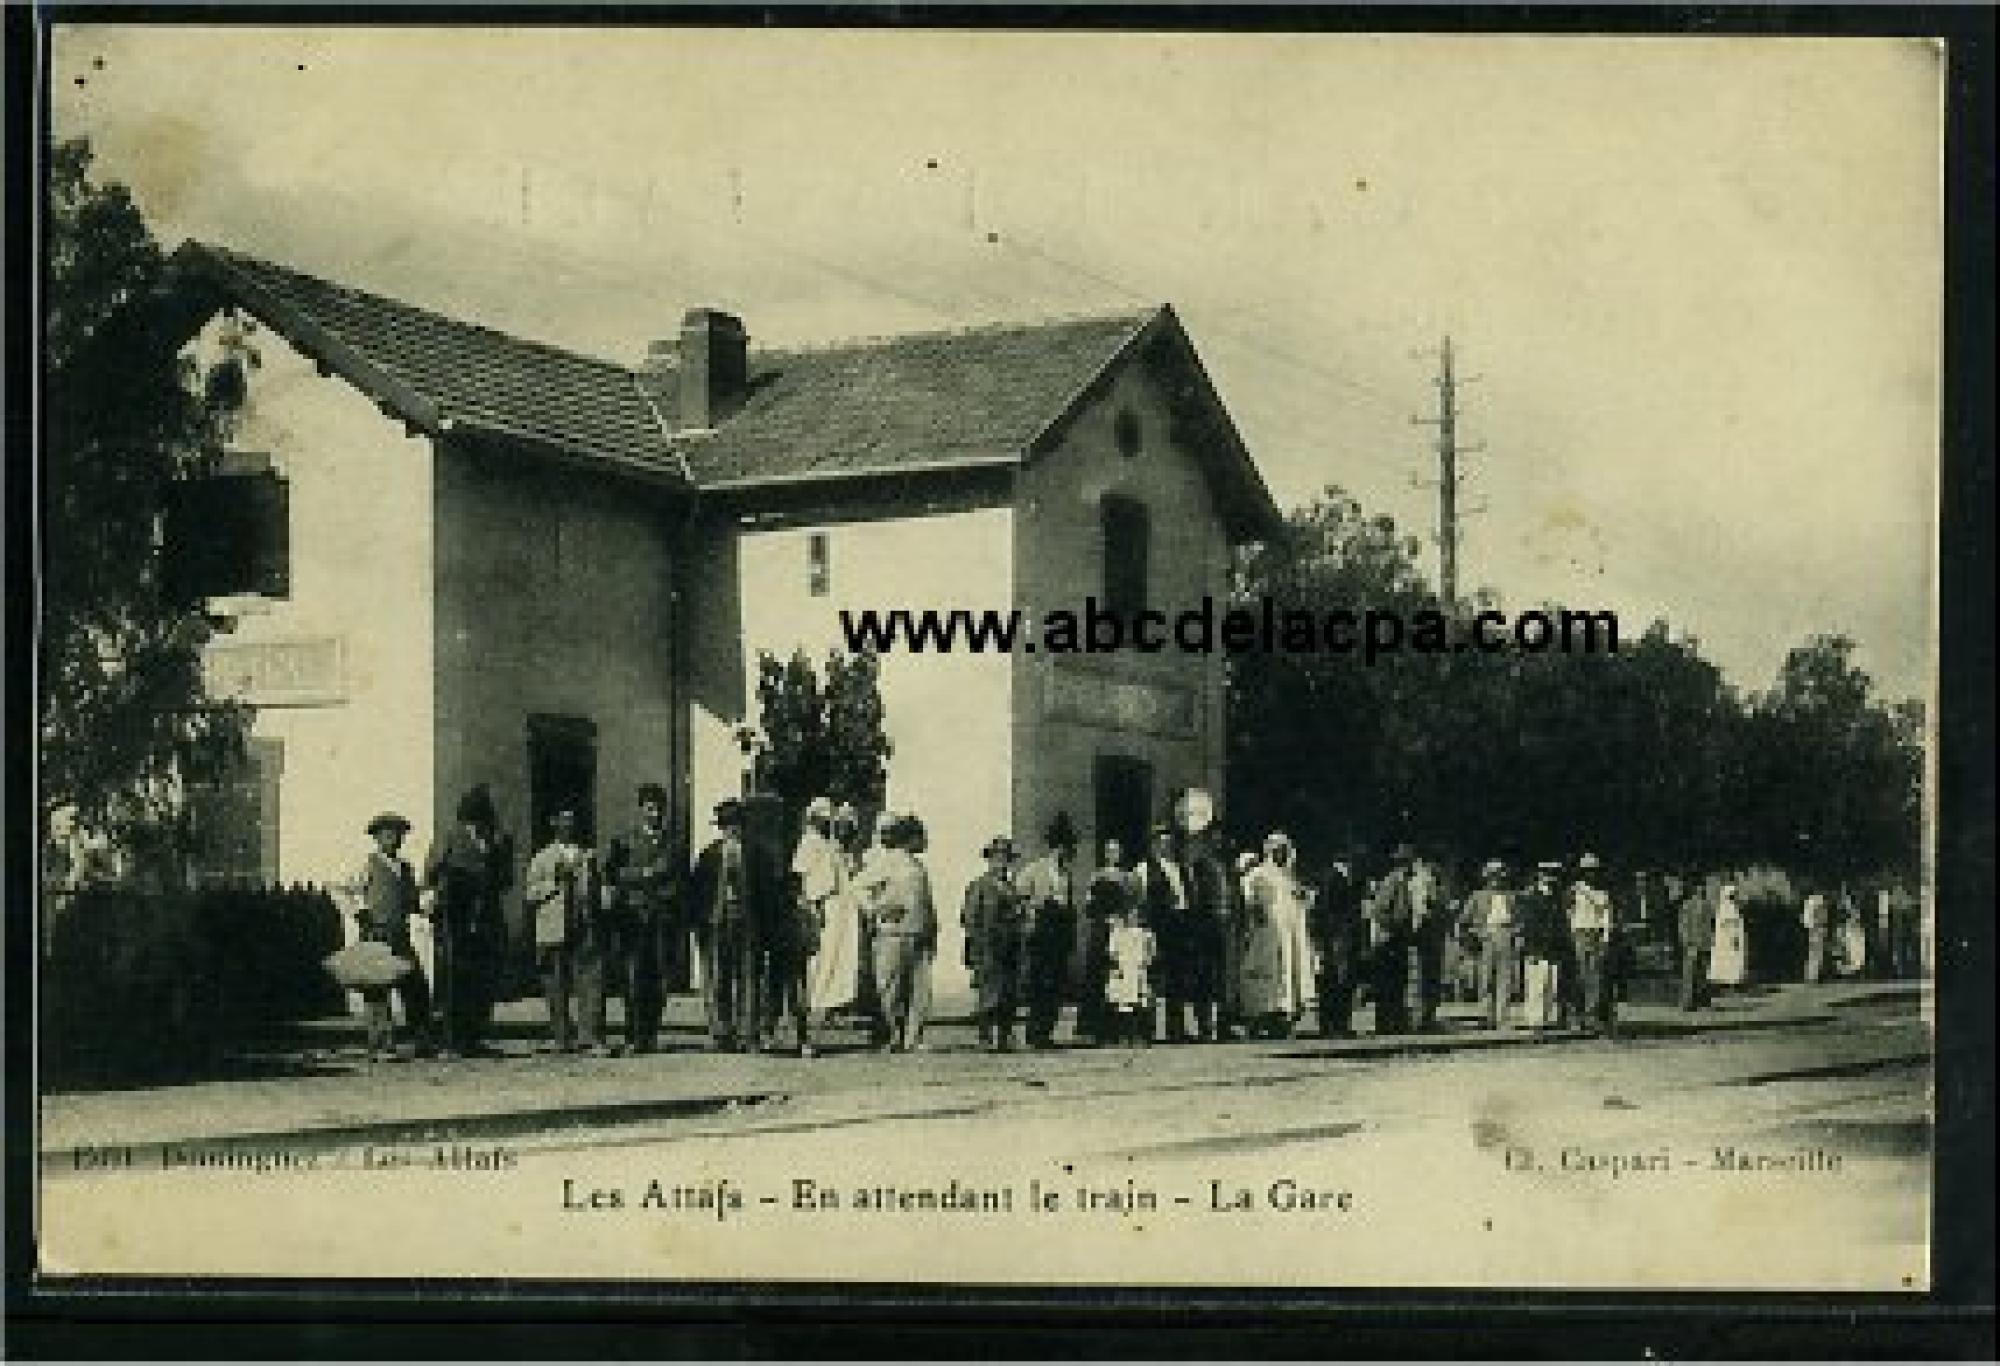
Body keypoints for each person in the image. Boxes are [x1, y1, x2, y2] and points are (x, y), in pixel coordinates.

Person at [420, 786, 511, 1058]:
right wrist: (434, 903)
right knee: (453, 980)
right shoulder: (449, 837)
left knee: (483, 979)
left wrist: (497, 851)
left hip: (486, 918)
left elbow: (506, 880)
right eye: (474, 818)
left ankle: (475, 1037)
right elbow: (430, 874)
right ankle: (451, 1041)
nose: (479, 824)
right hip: (454, 918)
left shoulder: (496, 841)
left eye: (483, 818)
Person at [352, 812, 435, 1062]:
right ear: (377, 838)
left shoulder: (406, 868)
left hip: (400, 935)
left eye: (398, 835)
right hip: (376, 933)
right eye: (388, 834)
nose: (394, 839)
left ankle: (421, 1039)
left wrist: (425, 908)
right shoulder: (368, 865)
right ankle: (380, 1045)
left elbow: (411, 901)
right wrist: (362, 913)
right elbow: (353, 892)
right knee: (377, 990)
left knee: (415, 986)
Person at [524, 809, 605, 1055]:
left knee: (590, 980)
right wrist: (554, 883)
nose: (568, 825)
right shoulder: (542, 858)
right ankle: (561, 1037)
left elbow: (598, 888)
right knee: (555, 984)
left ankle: (589, 1037)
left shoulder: (587, 856)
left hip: (583, 925)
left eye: (572, 820)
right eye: (563, 820)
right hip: (553, 929)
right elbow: (530, 894)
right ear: (554, 823)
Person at [604, 782, 677, 1055]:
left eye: (659, 810)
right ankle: (633, 1033)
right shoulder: (625, 840)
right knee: (633, 977)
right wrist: (642, 874)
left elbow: (677, 878)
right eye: (650, 809)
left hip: (662, 919)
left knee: (660, 977)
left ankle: (651, 1033)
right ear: (641, 810)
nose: (655, 815)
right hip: (632, 918)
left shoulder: (672, 841)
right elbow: (612, 874)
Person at [856, 814, 937, 1052]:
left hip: (918, 933)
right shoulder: (888, 861)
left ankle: (913, 1038)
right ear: (909, 838)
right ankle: (890, 1036)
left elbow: (926, 902)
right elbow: (858, 886)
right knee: (889, 987)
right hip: (892, 934)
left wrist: (932, 930)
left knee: (920, 990)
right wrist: (876, 909)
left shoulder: (918, 866)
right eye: (921, 836)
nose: (925, 841)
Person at [690, 798, 763, 1052]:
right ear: (721, 827)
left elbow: (766, 893)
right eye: (727, 824)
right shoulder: (709, 856)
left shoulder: (755, 854)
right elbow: (696, 893)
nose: (732, 829)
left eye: (736, 824)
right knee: (718, 979)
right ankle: (722, 1033)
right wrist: (699, 924)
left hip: (748, 923)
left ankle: (749, 1034)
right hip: (715, 923)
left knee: (749, 978)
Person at [1238, 832, 1315, 1038]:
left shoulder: (1289, 876)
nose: (1280, 854)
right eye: (1276, 850)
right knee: (1265, 976)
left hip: (1290, 934)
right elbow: (1248, 900)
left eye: (1283, 850)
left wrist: (1303, 897)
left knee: (1289, 974)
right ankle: (1259, 1019)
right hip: (1266, 933)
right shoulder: (1258, 874)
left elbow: (1301, 902)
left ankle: (1284, 1018)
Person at [1016, 813, 1081, 1049]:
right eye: (1065, 847)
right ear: (1056, 847)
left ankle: (1047, 1031)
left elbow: (1069, 905)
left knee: (1056, 983)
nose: (1067, 853)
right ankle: (1035, 1031)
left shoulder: (1066, 875)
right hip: (1042, 932)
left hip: (1059, 933)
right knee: (1039, 983)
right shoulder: (1034, 870)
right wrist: (1033, 911)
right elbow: (1019, 897)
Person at [801, 797, 864, 1033]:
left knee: (841, 958)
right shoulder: (810, 843)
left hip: (842, 910)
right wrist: (814, 907)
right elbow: (805, 877)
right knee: (825, 959)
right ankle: (817, 1006)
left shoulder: (830, 846)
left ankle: (833, 1007)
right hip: (827, 908)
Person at [962, 835, 1025, 1051]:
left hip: (1010, 946)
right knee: (988, 994)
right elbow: (968, 917)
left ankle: (1005, 1036)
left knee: (1008, 994)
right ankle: (985, 1037)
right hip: (987, 947)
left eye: (1006, 858)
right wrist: (976, 946)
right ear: (989, 860)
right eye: (997, 858)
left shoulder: (1011, 888)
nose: (1002, 863)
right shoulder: (979, 886)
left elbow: (1018, 915)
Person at [1076, 839, 1132, 1047]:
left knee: (1117, 978)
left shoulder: (1127, 877)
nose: (1114, 854)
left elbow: (1132, 903)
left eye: (1117, 851)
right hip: (1100, 930)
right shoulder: (1096, 876)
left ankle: (1116, 1029)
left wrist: (1122, 920)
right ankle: (1094, 1029)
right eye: (1110, 851)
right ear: (1105, 854)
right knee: (1097, 977)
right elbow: (1088, 905)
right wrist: (1102, 917)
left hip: (1119, 930)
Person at [1310, 849, 1370, 1038]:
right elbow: (1327, 911)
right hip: (1338, 936)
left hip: (1341, 936)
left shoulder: (1337, 878)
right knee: (1338, 981)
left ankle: (1336, 1024)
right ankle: (1335, 1025)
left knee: (1339, 981)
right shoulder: (1334, 879)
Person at [1365, 843, 1419, 1035]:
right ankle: (1385, 1024)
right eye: (1409, 862)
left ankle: (1395, 1022)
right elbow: (1378, 911)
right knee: (1388, 983)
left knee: (1398, 982)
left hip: (1399, 937)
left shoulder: (1403, 883)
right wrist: (1394, 927)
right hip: (1390, 939)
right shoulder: (1392, 882)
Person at [1462, 859, 1518, 1030]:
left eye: (1499, 875)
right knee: (1486, 978)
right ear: (1486, 877)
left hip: (1506, 934)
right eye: (1492, 875)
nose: (1496, 879)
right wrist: (1477, 933)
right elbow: (1464, 920)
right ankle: (1486, 1016)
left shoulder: (1511, 896)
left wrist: (1515, 932)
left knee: (1505, 978)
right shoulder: (1477, 896)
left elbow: (1520, 918)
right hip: (1486, 936)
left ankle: (1502, 1018)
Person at [1568, 853, 1618, 1037]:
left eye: (1594, 871)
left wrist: (1605, 938)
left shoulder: (1603, 893)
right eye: (1587, 871)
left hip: (1596, 934)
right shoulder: (1574, 890)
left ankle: (1593, 1016)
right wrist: (1572, 935)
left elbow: (1607, 917)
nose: (1591, 875)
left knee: (1596, 977)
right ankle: (1576, 1015)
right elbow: (1569, 914)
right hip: (1579, 934)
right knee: (1580, 975)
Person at [1517, 861, 1567, 1031]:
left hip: (1553, 947)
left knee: (1551, 986)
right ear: (1539, 875)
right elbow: (1529, 925)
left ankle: (1546, 1020)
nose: (1550, 877)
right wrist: (1531, 949)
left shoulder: (1557, 898)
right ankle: (1535, 1021)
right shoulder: (1530, 897)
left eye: (1553, 873)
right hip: (1537, 947)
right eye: (1546, 873)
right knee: (1536, 985)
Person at [1408, 850, 1452, 1031]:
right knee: (1422, 976)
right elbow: (1423, 908)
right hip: (1423, 934)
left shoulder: (1432, 882)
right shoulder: (1418, 883)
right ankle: (1421, 1018)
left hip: (1433, 934)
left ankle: (1427, 1016)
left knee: (1430, 976)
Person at [1105, 900, 1158, 1047]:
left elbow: (1151, 953)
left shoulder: (1147, 934)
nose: (1135, 918)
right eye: (1132, 915)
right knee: (1123, 1004)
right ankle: (1124, 1035)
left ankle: (1142, 1035)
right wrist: (1117, 968)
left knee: (1142, 1003)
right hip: (1124, 970)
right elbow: (1112, 953)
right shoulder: (1118, 933)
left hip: (1139, 970)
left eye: (1138, 915)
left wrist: (1145, 963)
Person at [1675, 868, 1714, 1011]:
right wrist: (1686, 941)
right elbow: (1683, 925)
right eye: (1699, 888)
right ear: (1694, 890)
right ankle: (1687, 1002)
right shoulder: (1687, 905)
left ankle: (1703, 1001)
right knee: (1689, 973)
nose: (1701, 890)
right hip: (1692, 943)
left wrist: (1711, 940)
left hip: (1704, 942)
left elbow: (1711, 925)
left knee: (1703, 974)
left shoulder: (1708, 906)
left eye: (1703, 887)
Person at [1708, 881, 1749, 991]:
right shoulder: (1725, 908)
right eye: (1731, 895)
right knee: (1726, 958)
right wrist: (1734, 936)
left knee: (1732, 959)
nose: (1733, 897)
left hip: (1729, 938)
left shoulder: (1731, 908)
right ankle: (1724, 981)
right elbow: (1727, 924)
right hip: (1727, 939)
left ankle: (1732, 981)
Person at [1800, 885, 1831, 985]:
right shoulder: (1819, 901)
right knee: (1817, 952)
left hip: (1811, 928)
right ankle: (1815, 976)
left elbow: (1805, 918)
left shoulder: (1808, 901)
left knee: (1813, 952)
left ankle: (1811, 976)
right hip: (1817, 928)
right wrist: (1822, 925)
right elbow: (1822, 916)